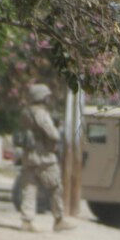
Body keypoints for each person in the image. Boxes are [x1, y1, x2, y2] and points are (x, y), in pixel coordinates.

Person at [19, 83, 75, 231]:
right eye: (46, 96)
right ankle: (58, 220)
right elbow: (52, 134)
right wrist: (57, 134)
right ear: (42, 98)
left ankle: (26, 221)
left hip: (28, 155)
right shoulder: (41, 113)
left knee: (29, 188)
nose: (48, 99)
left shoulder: (25, 112)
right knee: (55, 187)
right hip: (43, 157)